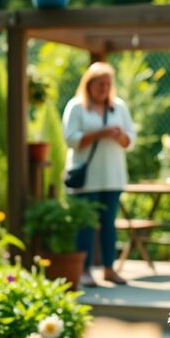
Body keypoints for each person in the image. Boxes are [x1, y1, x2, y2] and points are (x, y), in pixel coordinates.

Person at [63, 62, 136, 288]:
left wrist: (118, 136)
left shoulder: (119, 108)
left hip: (112, 177)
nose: (104, 88)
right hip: (87, 180)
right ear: (89, 84)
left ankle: (108, 268)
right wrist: (100, 134)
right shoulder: (77, 107)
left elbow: (130, 141)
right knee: (85, 225)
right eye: (99, 84)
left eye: (107, 84)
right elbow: (70, 139)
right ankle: (83, 270)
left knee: (108, 224)